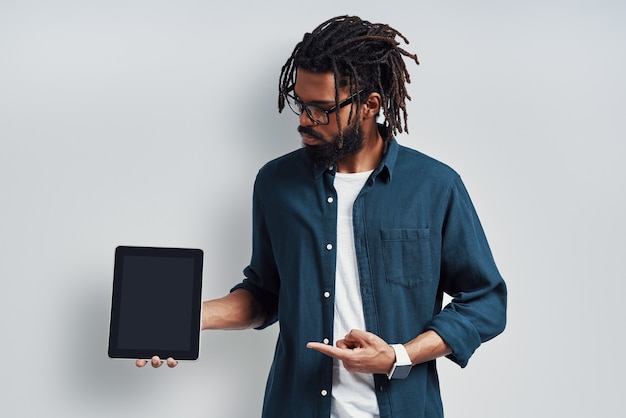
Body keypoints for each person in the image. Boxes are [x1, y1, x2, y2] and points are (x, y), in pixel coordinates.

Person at [137, 15, 507, 418]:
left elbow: (485, 301)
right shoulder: (276, 183)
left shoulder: (435, 186)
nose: (303, 121)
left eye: (322, 110)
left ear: (370, 105)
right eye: (300, 104)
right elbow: (266, 293)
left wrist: (398, 356)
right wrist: (187, 319)